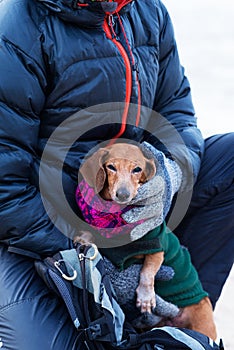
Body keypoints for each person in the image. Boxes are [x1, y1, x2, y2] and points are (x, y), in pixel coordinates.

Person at [0, 0, 233, 349]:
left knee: (229, 159)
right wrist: (85, 252)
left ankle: (168, 317)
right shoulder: (19, 25)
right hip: (42, 231)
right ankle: (109, 307)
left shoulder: (149, 10)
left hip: (133, 203)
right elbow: (5, 183)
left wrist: (170, 173)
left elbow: (176, 112)